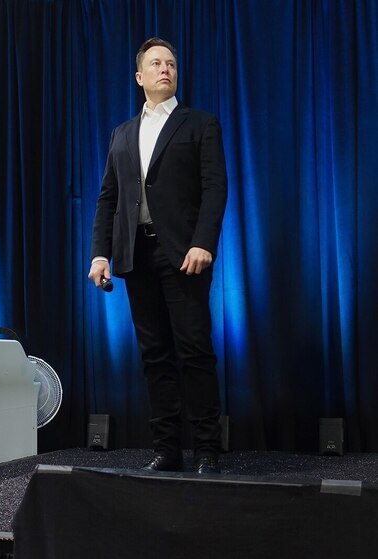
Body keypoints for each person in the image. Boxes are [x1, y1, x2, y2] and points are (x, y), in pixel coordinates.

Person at [88, 38, 227, 474]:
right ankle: (167, 450)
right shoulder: (122, 133)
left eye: (170, 63)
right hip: (136, 255)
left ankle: (207, 450)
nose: (165, 69)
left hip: (184, 253)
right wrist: (100, 255)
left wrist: (203, 242)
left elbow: (215, 188)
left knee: (194, 352)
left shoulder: (200, 124)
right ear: (139, 77)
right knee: (155, 356)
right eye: (155, 63)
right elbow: (108, 199)